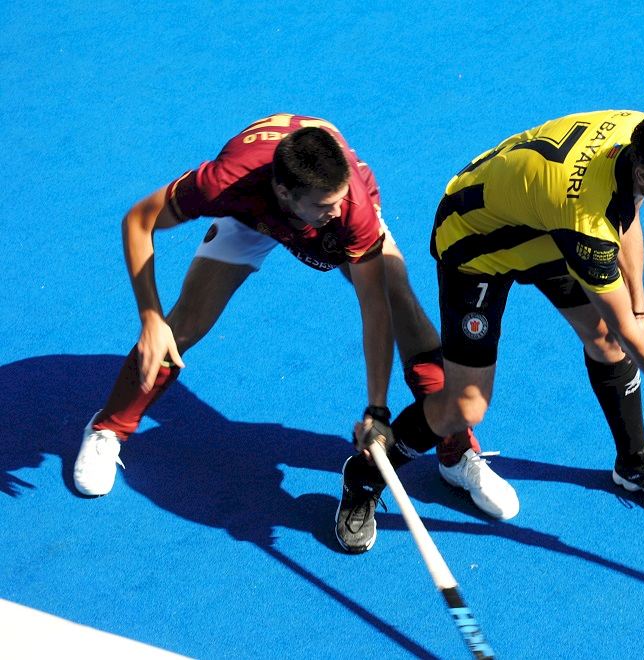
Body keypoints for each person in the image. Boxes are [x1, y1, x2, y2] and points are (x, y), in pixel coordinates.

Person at [72, 113, 519, 552]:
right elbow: (139, 221)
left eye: (339, 200)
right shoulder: (226, 183)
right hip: (251, 217)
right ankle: (108, 428)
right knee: (183, 326)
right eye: (326, 206)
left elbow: (375, 310)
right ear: (285, 193)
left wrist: (377, 411)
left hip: (322, 207)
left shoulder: (350, 208)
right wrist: (150, 318)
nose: (336, 210)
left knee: (402, 306)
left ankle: (455, 451)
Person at [341, 102, 644, 552]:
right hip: (477, 243)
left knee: (606, 341)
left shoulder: (641, 132)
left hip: (544, 225)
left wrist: (639, 309)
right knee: (465, 407)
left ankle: (634, 463)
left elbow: (626, 213)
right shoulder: (585, 221)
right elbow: (619, 305)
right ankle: (365, 474)